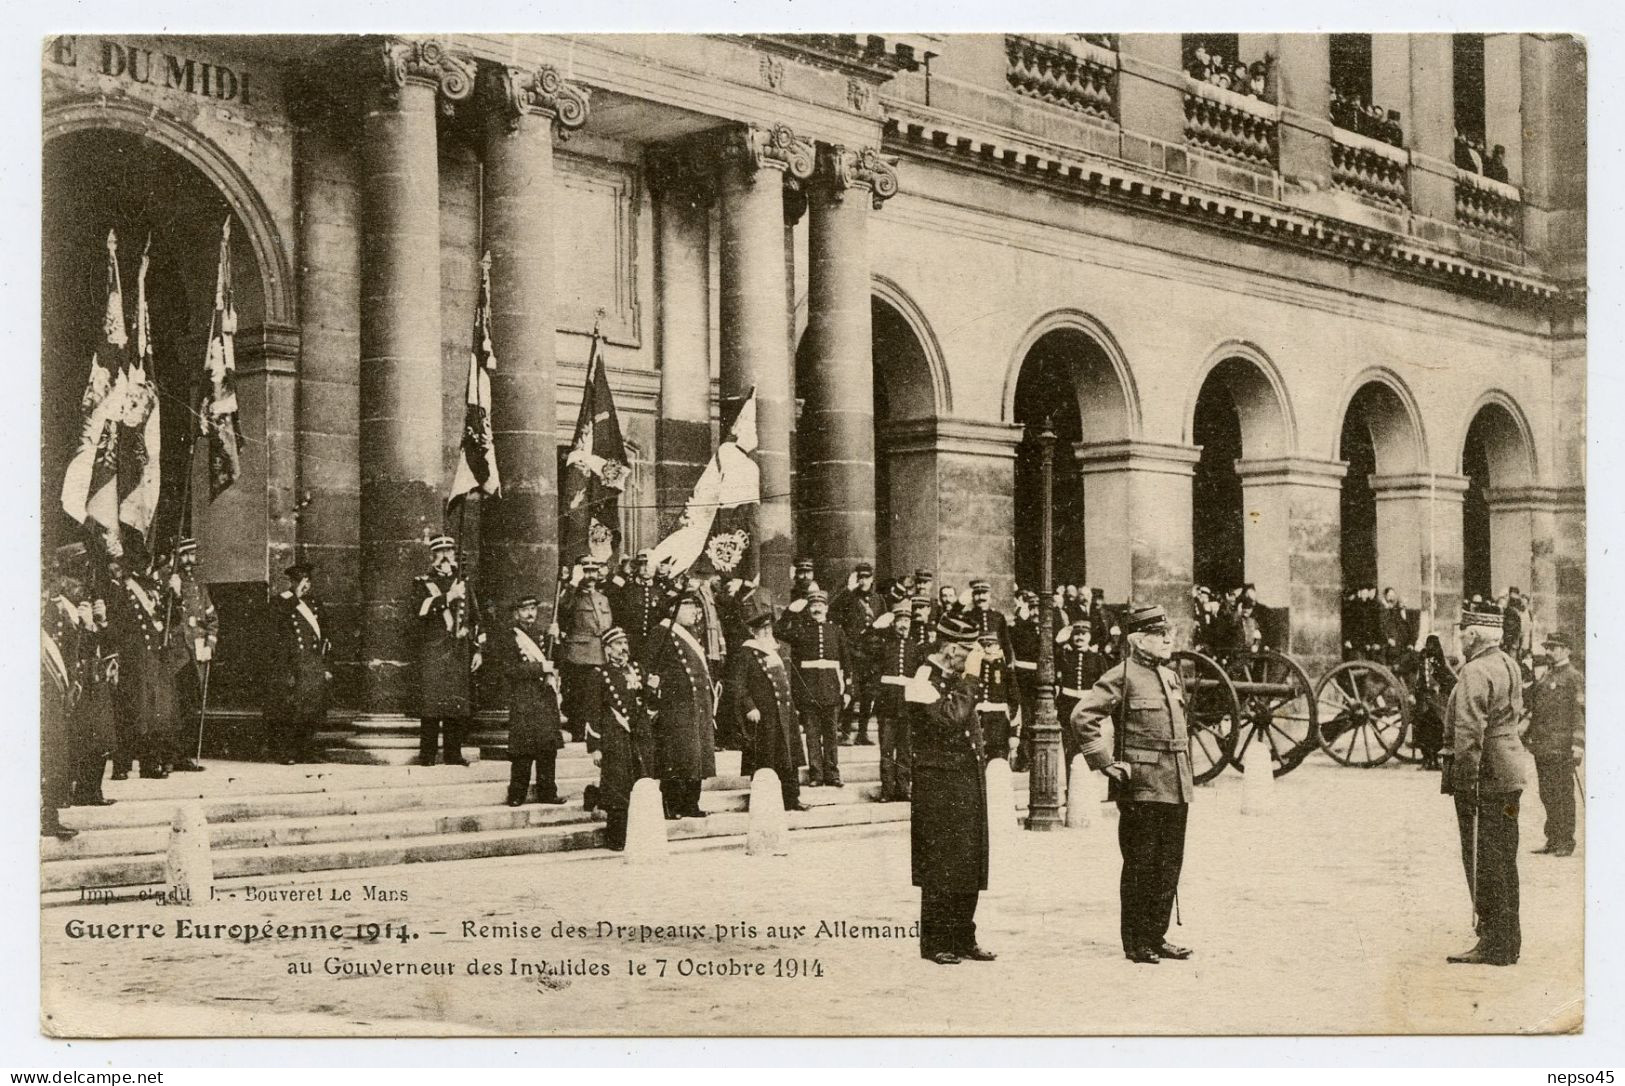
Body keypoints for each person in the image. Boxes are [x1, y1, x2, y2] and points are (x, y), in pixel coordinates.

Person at [1070, 604, 1195, 965]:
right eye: (1159, 634)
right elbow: (1083, 715)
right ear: (1138, 639)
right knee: (1141, 864)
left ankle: (1157, 936)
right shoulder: (1122, 674)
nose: (1168, 638)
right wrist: (1105, 763)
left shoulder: (1170, 676)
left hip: (1176, 783)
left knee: (1169, 864)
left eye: (1168, 632)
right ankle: (1136, 942)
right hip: (1141, 786)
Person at [908, 612, 994, 965]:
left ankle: (962, 935)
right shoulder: (923, 678)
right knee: (942, 861)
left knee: (969, 860)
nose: (971, 657)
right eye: (966, 650)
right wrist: (971, 678)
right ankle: (936, 941)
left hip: (965, 777)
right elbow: (950, 717)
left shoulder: (956, 678)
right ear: (948, 648)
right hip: (938, 781)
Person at [1441, 605, 1526, 966]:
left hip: (1486, 779)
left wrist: (1465, 783)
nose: (1460, 638)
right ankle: (1509, 941)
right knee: (1505, 857)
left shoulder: (1475, 671)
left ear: (1474, 636)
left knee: (1483, 857)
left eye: (1463, 632)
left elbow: (1469, 732)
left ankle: (1492, 943)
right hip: (1509, 775)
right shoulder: (1508, 663)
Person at [731, 602, 811, 813]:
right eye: (762, 629)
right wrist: (749, 707)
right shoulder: (747, 653)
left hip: (783, 713)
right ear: (753, 631)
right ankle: (765, 800)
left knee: (788, 758)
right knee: (765, 758)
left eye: (768, 628)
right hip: (764, 715)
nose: (767, 632)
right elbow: (738, 685)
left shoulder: (775, 651)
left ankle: (792, 798)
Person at [109, 559, 185, 779]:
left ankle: (150, 764)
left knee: (154, 713)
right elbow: (116, 621)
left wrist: (175, 594)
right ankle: (121, 765)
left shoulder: (155, 588)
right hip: (133, 656)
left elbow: (173, 619)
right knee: (130, 711)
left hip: (154, 656)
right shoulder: (121, 587)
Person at [412, 535, 483, 767]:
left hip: (458, 650)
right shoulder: (423, 583)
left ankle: (453, 753)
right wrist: (448, 597)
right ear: (433, 557)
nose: (445, 557)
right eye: (440, 552)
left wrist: (478, 650)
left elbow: (476, 619)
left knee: (456, 705)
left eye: (449, 551)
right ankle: (428, 754)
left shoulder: (464, 583)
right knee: (432, 705)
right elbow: (419, 610)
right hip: (433, 650)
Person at [648, 591, 716, 820]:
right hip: (675, 704)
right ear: (673, 610)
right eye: (687, 607)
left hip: (697, 703)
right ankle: (671, 802)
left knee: (696, 756)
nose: (694, 612)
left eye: (694, 607)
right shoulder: (662, 632)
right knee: (676, 756)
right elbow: (650, 667)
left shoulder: (693, 634)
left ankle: (691, 803)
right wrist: (653, 699)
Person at [590, 627, 656, 849]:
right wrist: (595, 746)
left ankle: (640, 833)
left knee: (642, 781)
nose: (623, 648)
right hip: (615, 736)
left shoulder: (638, 669)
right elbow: (593, 712)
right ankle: (616, 837)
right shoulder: (600, 674)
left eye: (625, 643)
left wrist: (652, 688)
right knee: (618, 786)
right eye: (617, 644)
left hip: (639, 735)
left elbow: (649, 702)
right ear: (607, 649)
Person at [500, 594, 566, 806]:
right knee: (523, 749)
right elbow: (509, 669)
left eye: (533, 609)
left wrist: (556, 640)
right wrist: (539, 667)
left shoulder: (542, 635)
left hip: (545, 696)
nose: (531, 613)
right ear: (516, 612)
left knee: (547, 748)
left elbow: (560, 660)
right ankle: (517, 794)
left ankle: (548, 792)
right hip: (525, 698)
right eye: (525, 609)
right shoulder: (510, 637)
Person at [782, 589, 851, 788]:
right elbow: (778, 630)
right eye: (813, 605)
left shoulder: (836, 631)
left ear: (827, 608)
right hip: (809, 690)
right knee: (812, 734)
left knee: (830, 734)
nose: (817, 609)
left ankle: (832, 774)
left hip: (831, 690)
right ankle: (816, 774)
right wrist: (790, 612)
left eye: (821, 605)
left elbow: (846, 662)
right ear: (808, 609)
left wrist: (848, 691)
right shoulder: (801, 629)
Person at [1524, 631, 1584, 857]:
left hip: (1562, 747)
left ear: (1566, 650)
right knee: (1547, 793)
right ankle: (1552, 838)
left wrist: (1577, 746)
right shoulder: (1545, 676)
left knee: (1563, 794)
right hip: (1543, 746)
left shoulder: (1573, 677)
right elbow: (1535, 709)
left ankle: (1566, 841)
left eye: (1554, 647)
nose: (1548, 651)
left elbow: (1579, 714)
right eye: (1547, 647)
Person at [270, 563, 330, 765]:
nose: (306, 586)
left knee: (313, 707)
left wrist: (326, 665)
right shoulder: (281, 601)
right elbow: (276, 627)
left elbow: (326, 635)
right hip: (293, 664)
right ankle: (286, 751)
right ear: (293, 582)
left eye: (308, 581)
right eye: (301, 581)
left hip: (313, 663)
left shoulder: (315, 603)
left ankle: (306, 750)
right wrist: (294, 595)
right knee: (292, 709)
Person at [166, 537, 215, 772]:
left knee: (190, 708)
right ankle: (168, 756)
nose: (189, 561)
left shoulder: (198, 585)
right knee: (172, 708)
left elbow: (212, 620)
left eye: (192, 555)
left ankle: (183, 755)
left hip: (195, 656)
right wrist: (172, 592)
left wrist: (209, 645)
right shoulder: (167, 580)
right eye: (184, 555)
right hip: (175, 655)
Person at [556, 557, 615, 744]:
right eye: (586, 571)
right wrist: (573, 582)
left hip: (600, 652)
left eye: (593, 571)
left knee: (597, 694)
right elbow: (562, 608)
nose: (590, 576)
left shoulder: (602, 598)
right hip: (579, 653)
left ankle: (594, 731)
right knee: (578, 694)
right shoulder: (572, 595)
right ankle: (578, 730)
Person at [871, 602, 920, 802]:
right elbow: (865, 647)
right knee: (886, 750)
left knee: (906, 750)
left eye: (907, 620)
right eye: (900, 620)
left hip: (908, 707)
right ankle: (887, 790)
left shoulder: (916, 648)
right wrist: (876, 626)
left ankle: (903, 788)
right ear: (893, 623)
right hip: (887, 706)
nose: (903, 624)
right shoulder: (884, 644)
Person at [830, 561, 882, 746]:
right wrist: (848, 590)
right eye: (860, 577)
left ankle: (862, 733)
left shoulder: (878, 600)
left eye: (866, 577)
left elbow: (883, 621)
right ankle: (845, 733)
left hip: (872, 655)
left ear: (872, 579)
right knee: (851, 693)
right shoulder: (849, 598)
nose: (863, 581)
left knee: (869, 695)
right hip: (853, 653)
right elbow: (833, 611)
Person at [1056, 622, 1107, 768]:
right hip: (1068, 706)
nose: (1080, 637)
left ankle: (1086, 785)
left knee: (1089, 745)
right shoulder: (1065, 655)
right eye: (1076, 634)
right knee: (1069, 746)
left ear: (1090, 636)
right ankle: (1070, 784)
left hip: (1088, 706)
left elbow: (1103, 685)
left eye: (1083, 634)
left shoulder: (1097, 658)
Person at [1008, 591, 1040, 772]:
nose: (1036, 612)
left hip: (1043, 680)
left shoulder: (1048, 628)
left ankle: (1037, 758)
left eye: (1039, 609)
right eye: (1033, 608)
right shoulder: (1022, 627)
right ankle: (1026, 758)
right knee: (1026, 719)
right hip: (1024, 678)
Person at [974, 628, 1015, 763]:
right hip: (978, 717)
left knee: (998, 757)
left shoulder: (1005, 670)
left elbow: (1014, 700)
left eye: (991, 645)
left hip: (999, 720)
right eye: (984, 646)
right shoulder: (974, 667)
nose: (988, 649)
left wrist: (1014, 732)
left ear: (998, 647)